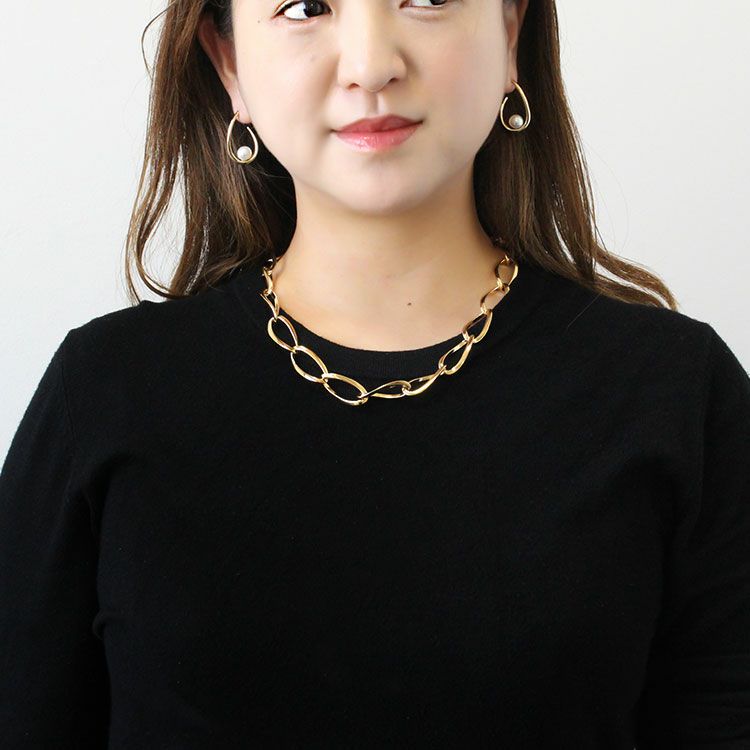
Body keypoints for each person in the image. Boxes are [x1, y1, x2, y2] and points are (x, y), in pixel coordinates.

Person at [1, 0, 748, 746]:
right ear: (228, 63)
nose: (369, 67)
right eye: (304, 8)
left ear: (511, 30)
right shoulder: (103, 393)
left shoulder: (678, 394)